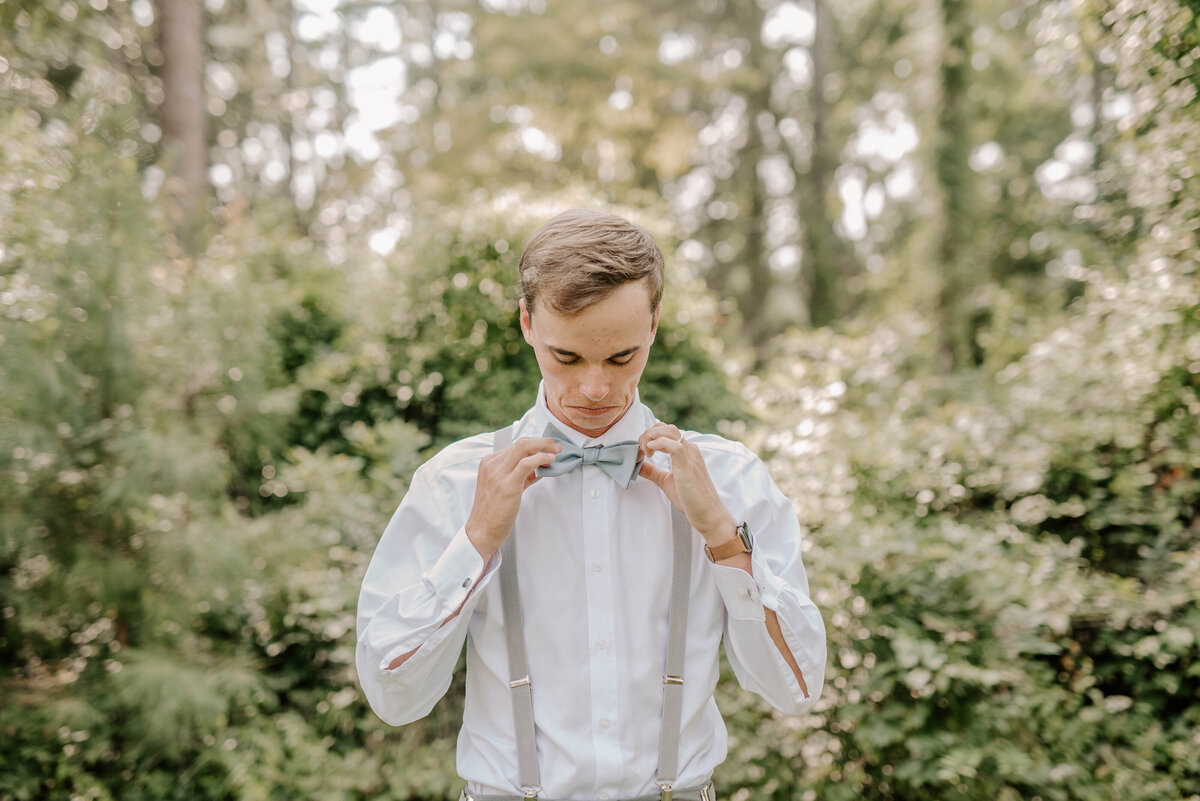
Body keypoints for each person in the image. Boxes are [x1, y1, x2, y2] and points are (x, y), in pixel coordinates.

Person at [356, 209, 826, 801]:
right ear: (527, 323)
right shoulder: (453, 483)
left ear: (654, 324)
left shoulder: (730, 477)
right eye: (568, 358)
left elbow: (799, 688)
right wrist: (473, 543)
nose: (595, 388)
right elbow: (391, 695)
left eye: (621, 357)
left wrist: (723, 538)